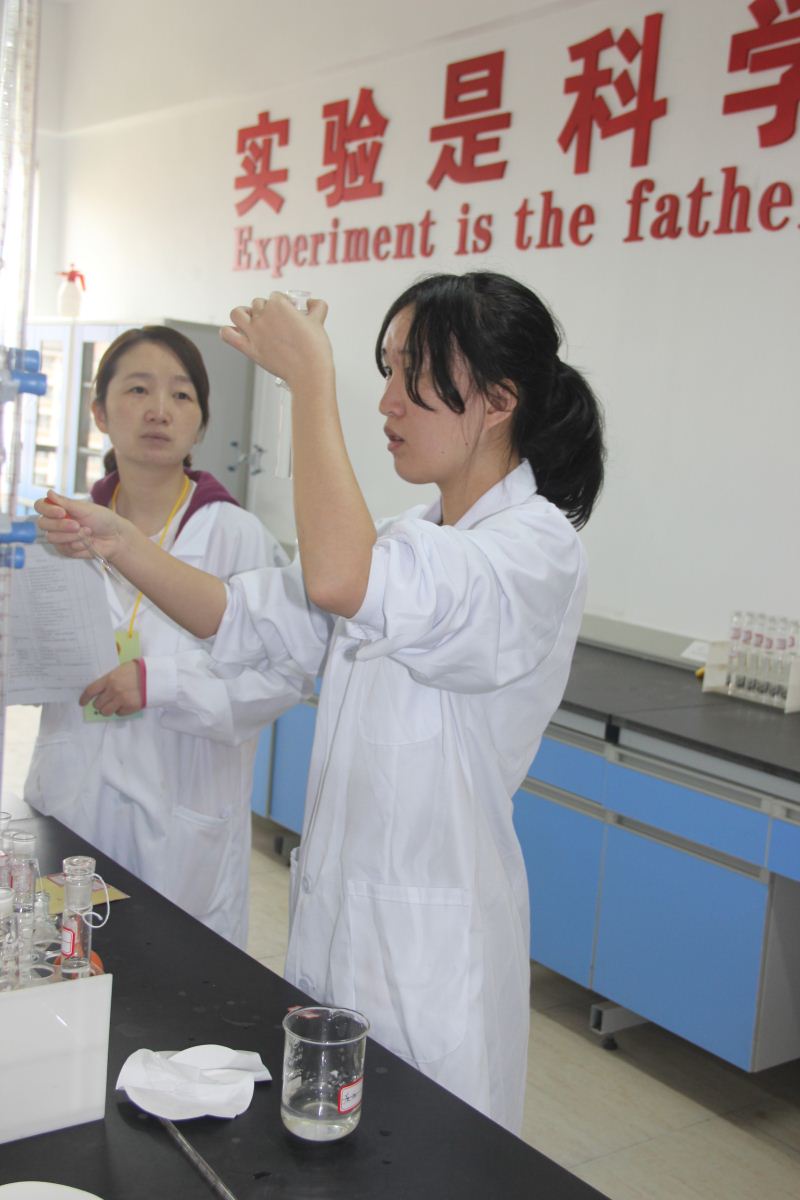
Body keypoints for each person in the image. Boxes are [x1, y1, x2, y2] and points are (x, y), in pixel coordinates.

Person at [36, 272, 605, 1132]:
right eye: (385, 371)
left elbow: (341, 580)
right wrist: (118, 540)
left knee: (428, 1160)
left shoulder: (532, 549)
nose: (388, 401)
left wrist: (309, 381)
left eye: (413, 375)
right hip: (340, 931)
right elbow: (243, 614)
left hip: (429, 952)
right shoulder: (413, 537)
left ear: (497, 400)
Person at [26, 326, 310, 949]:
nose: (160, 410)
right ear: (100, 412)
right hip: (72, 805)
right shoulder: (61, 532)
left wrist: (162, 683)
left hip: (182, 829)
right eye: (138, 389)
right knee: (63, 975)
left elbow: (281, 673)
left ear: (201, 423)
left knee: (171, 980)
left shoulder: (236, 537)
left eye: (182, 395)